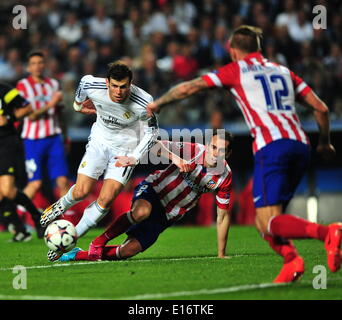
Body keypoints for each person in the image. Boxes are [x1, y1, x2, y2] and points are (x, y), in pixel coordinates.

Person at [146, 25, 341, 283]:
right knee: (268, 222)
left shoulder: (236, 70)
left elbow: (189, 88)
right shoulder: (284, 71)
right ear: (259, 49)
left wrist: (158, 103)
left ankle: (328, 232)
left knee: (267, 222)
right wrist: (325, 143)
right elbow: (322, 109)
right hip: (301, 145)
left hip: (272, 147)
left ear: (233, 51)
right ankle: (292, 262)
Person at [42, 61, 159, 261]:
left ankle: (68, 241)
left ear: (130, 84)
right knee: (81, 191)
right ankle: (60, 206)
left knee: (105, 201)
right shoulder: (91, 84)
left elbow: (152, 131)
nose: (119, 91)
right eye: (114, 86)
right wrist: (78, 106)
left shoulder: (144, 102)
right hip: (99, 142)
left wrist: (135, 156)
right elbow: (81, 89)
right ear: (107, 83)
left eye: (123, 87)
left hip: (125, 150)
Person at [58, 131, 233, 262]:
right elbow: (154, 145)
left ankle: (76, 255)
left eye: (222, 151)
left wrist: (221, 254)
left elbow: (222, 216)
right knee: (141, 212)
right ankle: (98, 241)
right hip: (154, 189)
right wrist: (175, 158)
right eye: (214, 147)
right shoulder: (192, 150)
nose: (215, 153)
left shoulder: (225, 177)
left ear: (228, 155)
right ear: (208, 145)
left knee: (127, 251)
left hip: (169, 214)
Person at [16, 50, 70, 201]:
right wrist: (50, 104)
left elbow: (60, 114)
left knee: (63, 181)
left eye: (40, 63)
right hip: (33, 140)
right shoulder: (23, 86)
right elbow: (31, 116)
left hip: (54, 138)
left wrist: (65, 137)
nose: (37, 66)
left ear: (44, 65)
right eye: (33, 63)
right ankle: (17, 218)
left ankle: (65, 221)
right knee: (35, 183)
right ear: (28, 67)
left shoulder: (53, 84)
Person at [0, 82, 45, 240]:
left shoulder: (4, 90)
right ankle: (20, 230)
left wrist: (8, 117)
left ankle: (36, 217)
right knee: (3, 194)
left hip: (6, 143)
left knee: (7, 191)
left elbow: (27, 108)